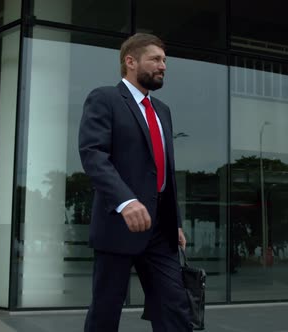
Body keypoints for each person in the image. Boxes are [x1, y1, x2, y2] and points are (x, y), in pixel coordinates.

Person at [79, 33, 192, 331]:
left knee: (175, 306)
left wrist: (175, 221)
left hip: (160, 231)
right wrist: (125, 201)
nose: (163, 66)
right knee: (106, 310)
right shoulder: (105, 98)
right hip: (119, 225)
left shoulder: (162, 111)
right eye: (155, 59)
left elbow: (163, 172)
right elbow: (93, 155)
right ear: (130, 61)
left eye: (164, 60)